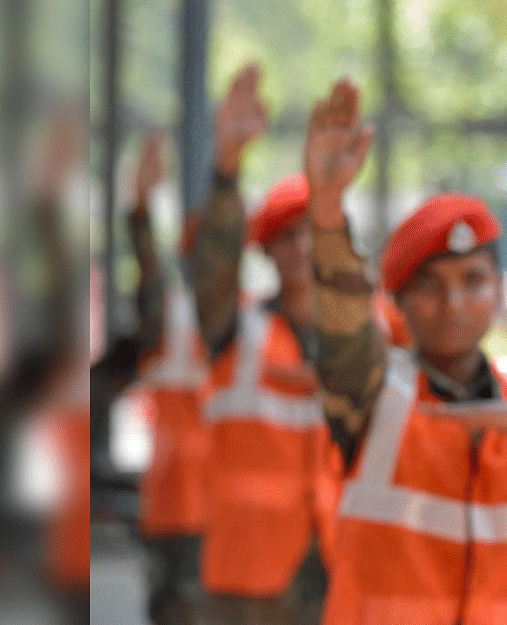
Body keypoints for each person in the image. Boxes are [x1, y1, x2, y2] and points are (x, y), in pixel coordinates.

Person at [304, 78, 507, 624]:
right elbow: (342, 330)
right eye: (430, 285)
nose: (453, 302)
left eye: (473, 280)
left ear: (500, 289)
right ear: (398, 301)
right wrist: (328, 210)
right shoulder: (373, 393)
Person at [192, 64, 334, 623]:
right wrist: (227, 166)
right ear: (266, 251)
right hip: (249, 580)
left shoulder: (366, 339)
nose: (300, 250)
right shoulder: (235, 332)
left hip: (339, 565)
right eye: (286, 237)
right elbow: (213, 270)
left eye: (312, 235)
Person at [123, 130, 211, 624]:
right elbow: (148, 276)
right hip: (175, 509)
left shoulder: (258, 324)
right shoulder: (170, 318)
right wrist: (140, 203)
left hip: (225, 517)